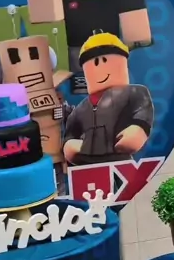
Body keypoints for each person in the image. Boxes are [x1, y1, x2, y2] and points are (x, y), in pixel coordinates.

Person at [63, 32, 153, 166]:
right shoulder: (81, 108)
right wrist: (70, 145)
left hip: (119, 159)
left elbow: (142, 112)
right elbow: (71, 131)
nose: (100, 69)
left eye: (104, 61)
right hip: (86, 162)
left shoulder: (134, 92)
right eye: (95, 63)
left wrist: (138, 129)